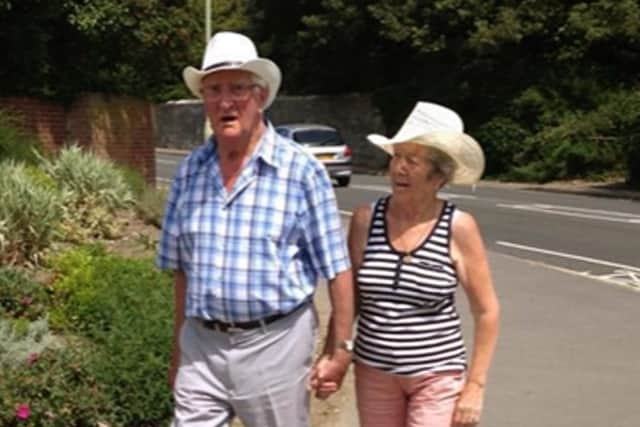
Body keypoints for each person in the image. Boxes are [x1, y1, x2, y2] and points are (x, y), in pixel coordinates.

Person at [156, 31, 354, 427]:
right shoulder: (190, 171)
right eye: (213, 90)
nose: (225, 101)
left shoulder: (301, 171)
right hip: (201, 344)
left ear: (260, 96)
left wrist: (340, 351)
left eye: (237, 89)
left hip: (274, 344)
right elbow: (182, 271)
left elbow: (338, 270)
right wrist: (178, 347)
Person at [345, 102, 500, 426]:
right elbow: (351, 298)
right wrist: (337, 351)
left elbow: (486, 311)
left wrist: (475, 386)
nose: (399, 168)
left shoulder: (458, 226)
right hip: (374, 373)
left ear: (439, 176)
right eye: (396, 157)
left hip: (437, 376)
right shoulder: (366, 219)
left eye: (412, 161)